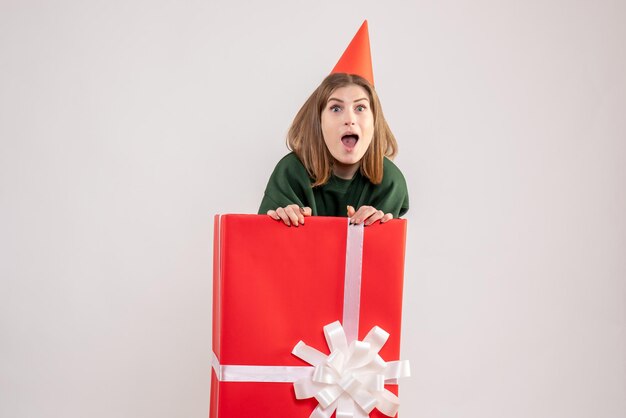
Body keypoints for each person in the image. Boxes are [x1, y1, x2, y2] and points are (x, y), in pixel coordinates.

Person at [258, 21, 409, 227]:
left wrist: (374, 231)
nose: (349, 119)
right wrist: (281, 224)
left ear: (375, 122)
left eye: (360, 108)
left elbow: (378, 258)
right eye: (336, 108)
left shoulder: (390, 182)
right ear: (318, 122)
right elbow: (261, 252)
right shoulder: (291, 172)